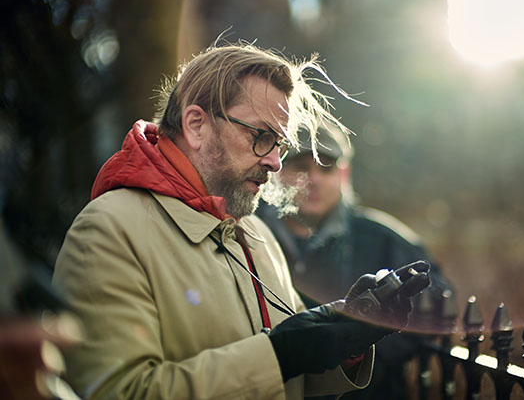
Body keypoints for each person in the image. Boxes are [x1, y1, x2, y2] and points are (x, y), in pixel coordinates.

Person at [51, 42, 430, 399]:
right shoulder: (106, 232)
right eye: (262, 136)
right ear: (196, 125)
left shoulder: (256, 232)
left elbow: (292, 373)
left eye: (279, 143)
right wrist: (277, 355)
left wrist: (346, 336)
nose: (275, 162)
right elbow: (122, 392)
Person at [257, 126, 454, 399]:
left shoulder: (382, 236)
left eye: (325, 168)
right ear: (278, 172)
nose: (314, 179)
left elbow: (440, 299)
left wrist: (370, 348)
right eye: (301, 167)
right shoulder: (248, 236)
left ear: (343, 174)